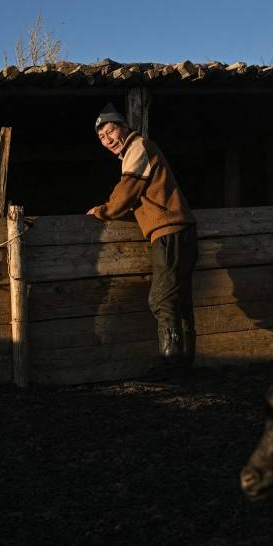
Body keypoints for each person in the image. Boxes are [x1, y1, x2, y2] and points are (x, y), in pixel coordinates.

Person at [87, 103, 197, 373]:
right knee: (177, 299)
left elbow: (127, 191)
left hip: (169, 232)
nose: (107, 140)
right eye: (101, 138)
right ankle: (184, 365)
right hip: (178, 231)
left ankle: (171, 364)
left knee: (161, 299)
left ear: (124, 127)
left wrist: (103, 211)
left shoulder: (138, 147)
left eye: (110, 131)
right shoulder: (140, 149)